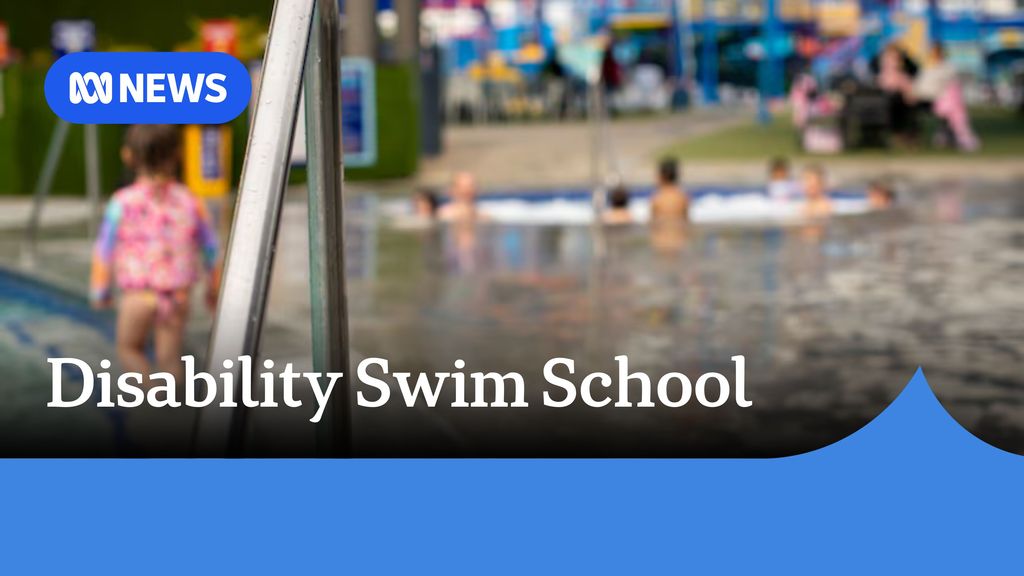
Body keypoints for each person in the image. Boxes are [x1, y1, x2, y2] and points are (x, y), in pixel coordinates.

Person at [91, 125, 220, 385]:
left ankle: (148, 397)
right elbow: (211, 249)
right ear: (178, 155)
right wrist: (213, 288)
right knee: (170, 359)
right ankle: (172, 413)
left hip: (138, 296)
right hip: (177, 296)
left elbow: (104, 250)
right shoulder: (191, 201)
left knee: (129, 349)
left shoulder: (122, 202)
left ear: (127, 156)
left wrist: (100, 290)